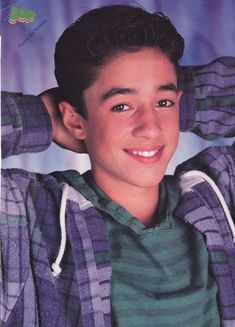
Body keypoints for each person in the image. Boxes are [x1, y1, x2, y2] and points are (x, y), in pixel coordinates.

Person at [1, 4, 235, 327]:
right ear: (74, 119)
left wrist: (172, 91)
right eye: (122, 105)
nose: (151, 127)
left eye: (163, 103)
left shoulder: (218, 197)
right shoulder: (32, 221)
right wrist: (40, 118)